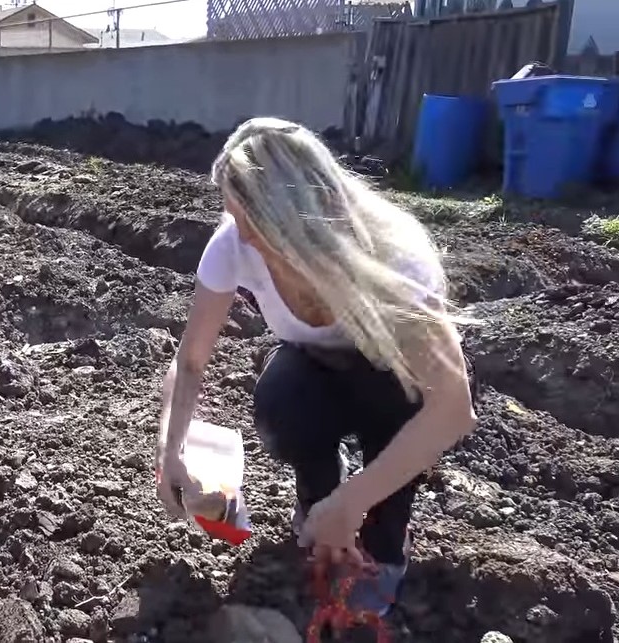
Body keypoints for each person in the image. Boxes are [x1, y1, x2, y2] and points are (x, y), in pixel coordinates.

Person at [154, 117, 479, 617]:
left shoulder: (394, 257)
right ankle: (319, 500)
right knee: (282, 401)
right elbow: (191, 361)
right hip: (316, 371)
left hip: (393, 380)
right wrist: (170, 450)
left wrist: (356, 503)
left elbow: (453, 409)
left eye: (254, 225)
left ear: (299, 219)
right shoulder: (234, 244)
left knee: (399, 403)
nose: (242, 238)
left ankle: (384, 539)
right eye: (234, 219)